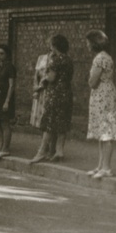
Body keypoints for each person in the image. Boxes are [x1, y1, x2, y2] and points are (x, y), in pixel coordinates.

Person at [30, 34, 74, 163]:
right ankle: (59, 151)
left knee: (49, 122)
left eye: (51, 45)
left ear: (54, 46)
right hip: (67, 93)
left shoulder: (55, 60)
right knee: (62, 122)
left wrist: (43, 81)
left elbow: (51, 78)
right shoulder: (68, 60)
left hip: (55, 94)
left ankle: (41, 152)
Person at [85, 29, 116, 179]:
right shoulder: (106, 57)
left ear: (94, 43)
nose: (87, 45)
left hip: (102, 95)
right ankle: (101, 165)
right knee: (103, 132)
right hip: (105, 94)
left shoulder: (99, 59)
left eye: (88, 42)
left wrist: (89, 80)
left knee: (105, 132)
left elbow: (93, 82)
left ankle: (106, 167)